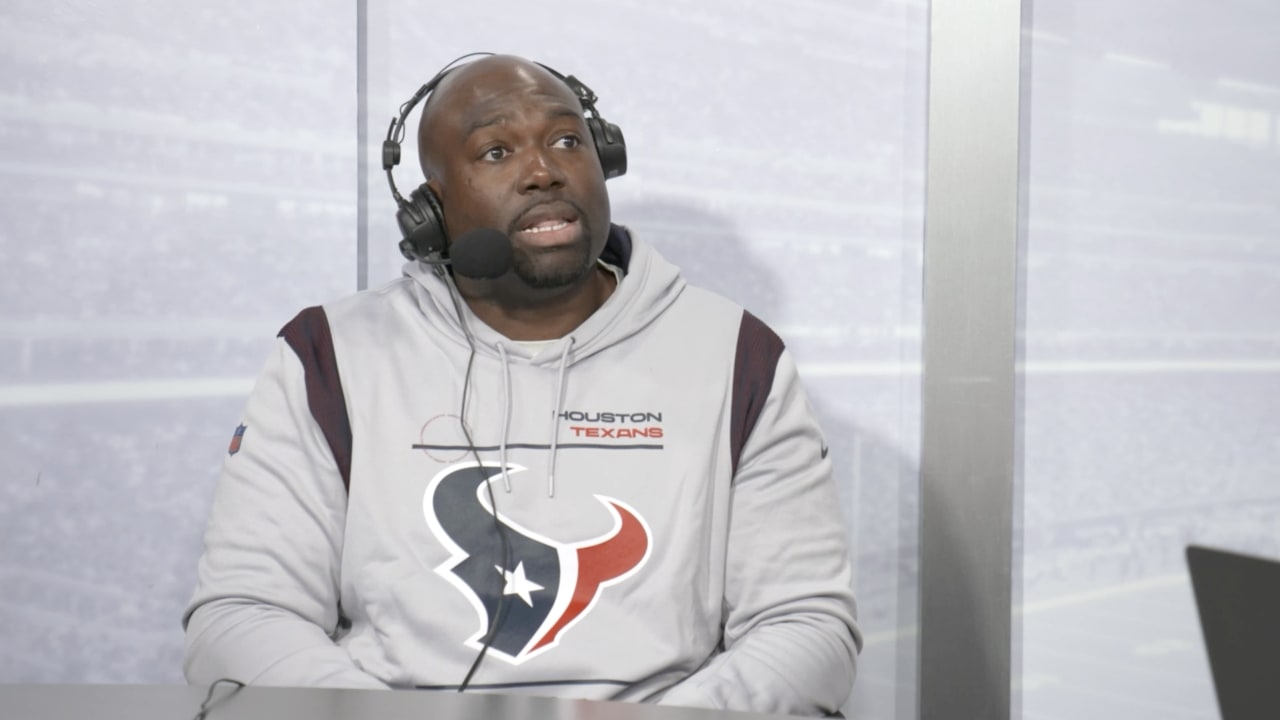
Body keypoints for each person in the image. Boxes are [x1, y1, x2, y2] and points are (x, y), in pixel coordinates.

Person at [182, 53, 861, 717]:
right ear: (430, 210)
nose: (543, 171)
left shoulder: (737, 354)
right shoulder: (329, 354)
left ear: (605, 161)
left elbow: (806, 624)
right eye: (496, 152)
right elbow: (244, 612)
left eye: (567, 140)